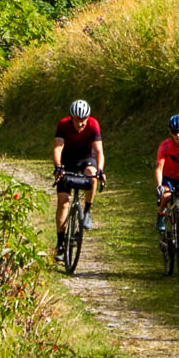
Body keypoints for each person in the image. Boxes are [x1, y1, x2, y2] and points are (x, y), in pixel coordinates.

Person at [51, 99, 105, 258]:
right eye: (77, 120)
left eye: (84, 120)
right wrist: (58, 166)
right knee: (63, 201)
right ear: (71, 117)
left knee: (92, 174)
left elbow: (99, 151)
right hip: (67, 160)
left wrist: (101, 170)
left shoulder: (93, 124)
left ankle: (87, 211)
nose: (81, 124)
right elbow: (58, 147)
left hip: (85, 159)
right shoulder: (63, 124)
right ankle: (60, 245)